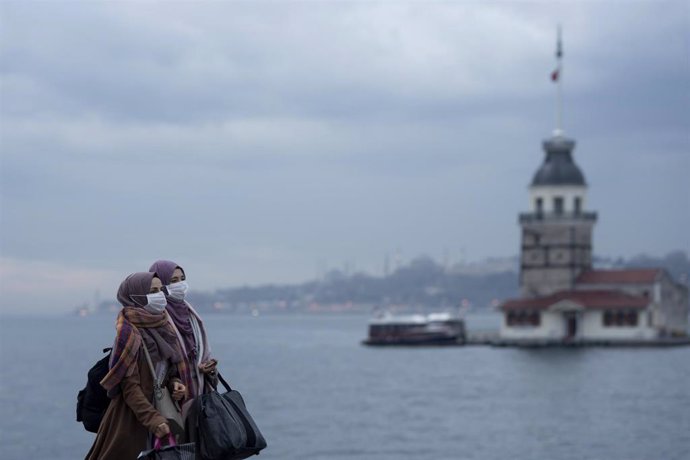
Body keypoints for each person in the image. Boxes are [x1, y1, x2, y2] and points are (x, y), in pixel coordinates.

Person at [85, 272, 189, 460]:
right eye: (153, 291)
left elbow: (166, 370)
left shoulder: (163, 326)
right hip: (133, 420)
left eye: (160, 290)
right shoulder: (128, 335)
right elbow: (129, 387)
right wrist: (153, 420)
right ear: (135, 297)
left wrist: (175, 383)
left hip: (162, 415)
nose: (160, 295)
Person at [149, 260, 217, 400]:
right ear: (160, 285)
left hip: (200, 395)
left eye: (182, 279)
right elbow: (156, 367)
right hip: (173, 400)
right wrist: (174, 382)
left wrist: (207, 368)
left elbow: (198, 354)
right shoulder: (156, 318)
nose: (180, 284)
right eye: (174, 280)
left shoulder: (190, 315)